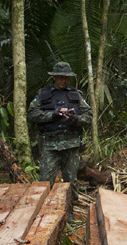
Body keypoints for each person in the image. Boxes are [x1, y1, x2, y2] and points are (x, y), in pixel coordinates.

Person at [28, 62, 92, 217]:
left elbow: (89, 116)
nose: (64, 80)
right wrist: (53, 114)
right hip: (50, 145)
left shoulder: (76, 95)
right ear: (55, 77)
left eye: (67, 77)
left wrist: (76, 119)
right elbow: (32, 114)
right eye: (61, 77)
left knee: (71, 182)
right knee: (45, 181)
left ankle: (68, 214)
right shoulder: (43, 94)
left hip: (71, 144)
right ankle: (43, 214)